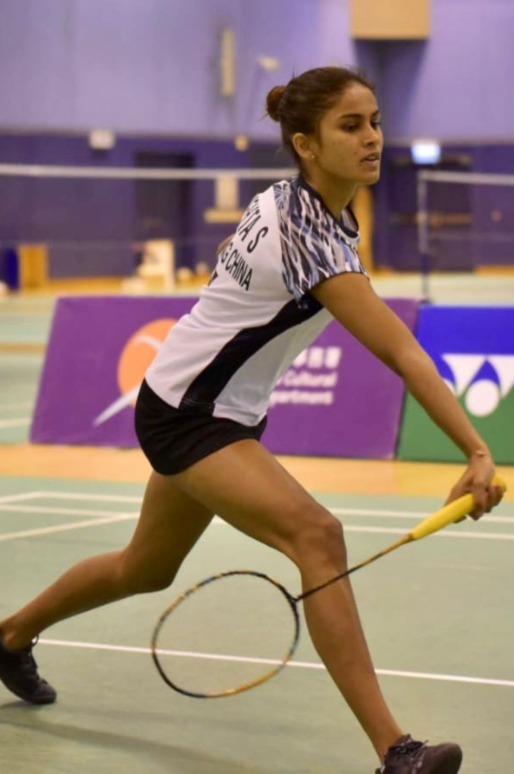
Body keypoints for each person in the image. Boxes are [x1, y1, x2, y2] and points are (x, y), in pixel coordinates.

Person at [0, 67, 504, 773]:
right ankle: (396, 751)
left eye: (374, 121)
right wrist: (477, 449)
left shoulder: (299, 201)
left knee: (145, 568)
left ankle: (10, 636)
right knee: (318, 536)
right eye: (350, 126)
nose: (371, 138)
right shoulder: (311, 240)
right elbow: (402, 352)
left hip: (198, 402)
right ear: (305, 144)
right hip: (191, 415)